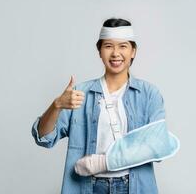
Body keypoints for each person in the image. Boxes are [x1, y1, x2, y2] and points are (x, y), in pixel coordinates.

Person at [32, 18, 174, 194]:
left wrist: (103, 163)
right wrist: (57, 105)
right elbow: (43, 137)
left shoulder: (148, 94)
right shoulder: (79, 93)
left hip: (134, 186)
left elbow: (157, 145)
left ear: (133, 51)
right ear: (99, 51)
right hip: (88, 186)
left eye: (123, 46)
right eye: (108, 46)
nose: (115, 53)